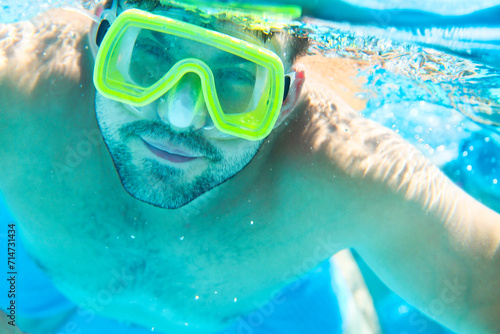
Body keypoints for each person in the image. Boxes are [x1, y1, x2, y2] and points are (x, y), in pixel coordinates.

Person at [0, 0, 499, 333]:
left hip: (271, 312)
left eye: (237, 79)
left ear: (285, 101)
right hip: (34, 277)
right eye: (149, 53)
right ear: (100, 39)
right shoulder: (16, 91)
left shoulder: (345, 173)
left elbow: (485, 296)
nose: (181, 115)